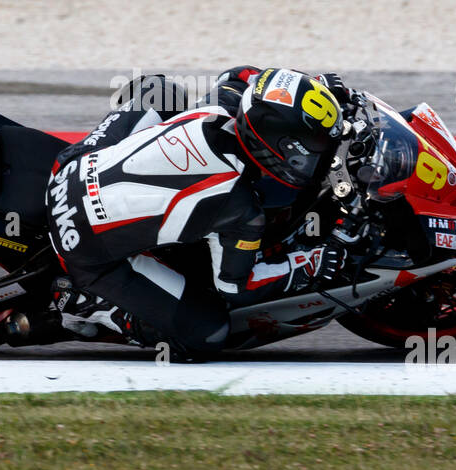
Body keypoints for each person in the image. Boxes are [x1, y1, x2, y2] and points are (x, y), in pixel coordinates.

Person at [43, 67, 349, 358]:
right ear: (272, 146)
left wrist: (312, 88)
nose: (314, 158)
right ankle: (92, 305)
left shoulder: (229, 100)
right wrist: (310, 264)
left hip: (71, 166)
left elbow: (241, 74)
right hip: (84, 249)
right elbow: (235, 287)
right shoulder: (240, 208)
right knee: (207, 333)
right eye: (309, 151)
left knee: (160, 91)